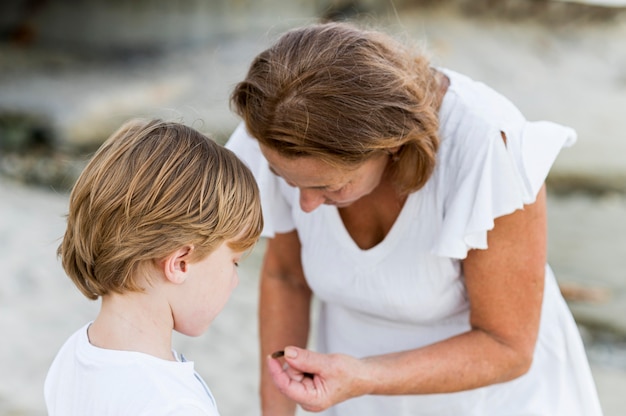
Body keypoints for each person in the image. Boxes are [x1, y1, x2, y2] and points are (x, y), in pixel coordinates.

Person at [226, 21, 603, 416]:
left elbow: (507, 346)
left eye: (331, 187)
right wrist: (277, 411)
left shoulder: (489, 147)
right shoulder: (278, 126)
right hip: (354, 393)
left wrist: (365, 376)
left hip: (495, 401)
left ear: (389, 144)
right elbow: (286, 277)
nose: (305, 204)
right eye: (285, 180)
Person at [44, 119, 263, 415]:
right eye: (234, 261)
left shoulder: (74, 353)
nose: (235, 280)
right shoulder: (173, 404)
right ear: (180, 263)